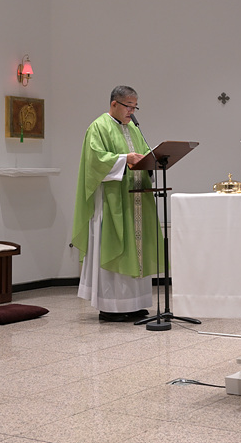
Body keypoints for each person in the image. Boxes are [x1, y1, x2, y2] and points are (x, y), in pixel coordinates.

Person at [71, 86, 164, 321]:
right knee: (115, 247)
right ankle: (111, 307)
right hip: (112, 202)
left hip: (136, 199)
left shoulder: (133, 129)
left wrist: (151, 160)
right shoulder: (98, 127)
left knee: (137, 250)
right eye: (128, 106)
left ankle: (135, 303)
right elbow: (95, 161)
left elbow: (143, 156)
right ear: (114, 104)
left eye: (135, 107)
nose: (132, 112)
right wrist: (125, 159)